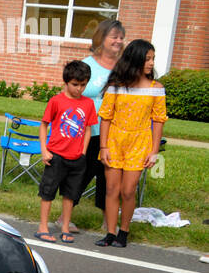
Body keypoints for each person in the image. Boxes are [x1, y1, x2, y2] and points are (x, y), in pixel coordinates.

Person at [96, 40, 165, 248]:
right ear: (135, 60)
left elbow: (159, 121)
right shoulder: (116, 87)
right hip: (114, 141)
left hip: (140, 142)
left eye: (153, 59)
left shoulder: (156, 88)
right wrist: (104, 147)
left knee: (128, 190)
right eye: (147, 59)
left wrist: (154, 152)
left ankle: (123, 232)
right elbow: (106, 118)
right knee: (111, 189)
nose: (151, 63)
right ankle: (110, 232)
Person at [35, 60, 97, 243]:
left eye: (83, 85)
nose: (79, 89)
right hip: (56, 156)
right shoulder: (56, 101)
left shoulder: (88, 104)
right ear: (66, 82)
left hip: (77, 158)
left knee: (71, 194)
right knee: (48, 192)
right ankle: (43, 227)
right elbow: (43, 125)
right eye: (75, 85)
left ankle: (65, 227)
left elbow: (87, 129)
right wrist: (44, 150)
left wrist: (83, 152)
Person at [81, 18, 125, 228]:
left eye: (121, 37)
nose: (118, 41)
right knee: (83, 171)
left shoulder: (125, 67)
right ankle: (65, 217)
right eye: (114, 37)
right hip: (89, 129)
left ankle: (107, 220)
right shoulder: (87, 64)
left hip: (115, 131)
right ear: (102, 38)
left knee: (108, 177)